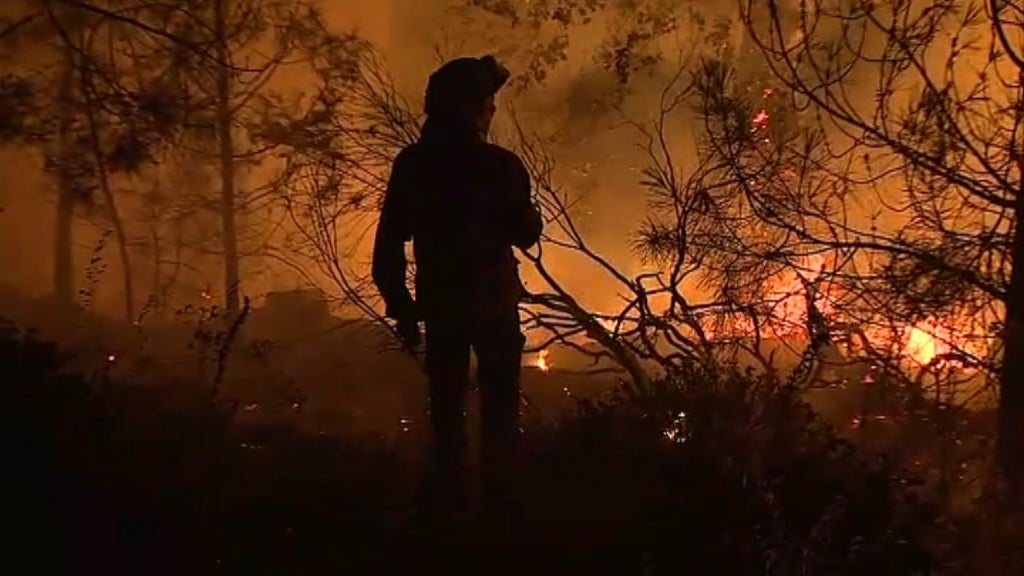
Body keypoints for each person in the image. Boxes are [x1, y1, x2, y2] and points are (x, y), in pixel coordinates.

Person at [371, 55, 544, 516]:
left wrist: (403, 308)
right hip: (492, 307)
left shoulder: (413, 165)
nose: (493, 109)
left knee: (447, 414)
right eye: (488, 100)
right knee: (500, 413)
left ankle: (448, 508)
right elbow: (526, 232)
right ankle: (499, 509)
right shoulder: (499, 166)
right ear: (472, 108)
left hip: (441, 306)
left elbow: (387, 247)